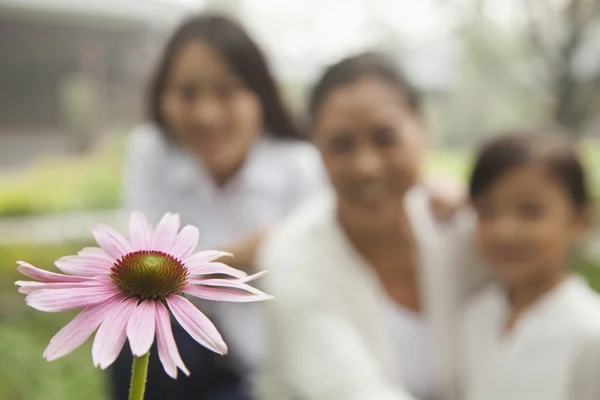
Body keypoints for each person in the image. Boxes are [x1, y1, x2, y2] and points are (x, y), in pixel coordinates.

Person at [110, 14, 324, 400]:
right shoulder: (150, 151)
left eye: (227, 92)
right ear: (163, 96)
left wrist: (181, 266)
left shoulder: (301, 165)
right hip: (175, 347)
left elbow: (316, 263)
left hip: (267, 363)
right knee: (132, 346)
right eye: (188, 93)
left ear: (260, 93)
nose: (206, 114)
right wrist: (251, 250)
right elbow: (136, 253)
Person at [256, 52, 489, 400]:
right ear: (315, 148)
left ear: (423, 132)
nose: (366, 166)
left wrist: (487, 205)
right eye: (340, 145)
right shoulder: (292, 256)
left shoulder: (461, 229)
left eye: (385, 138)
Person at [461, 130, 600, 400]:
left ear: (580, 220)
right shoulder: (475, 314)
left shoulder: (590, 332)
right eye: (487, 211)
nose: (504, 230)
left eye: (530, 211)